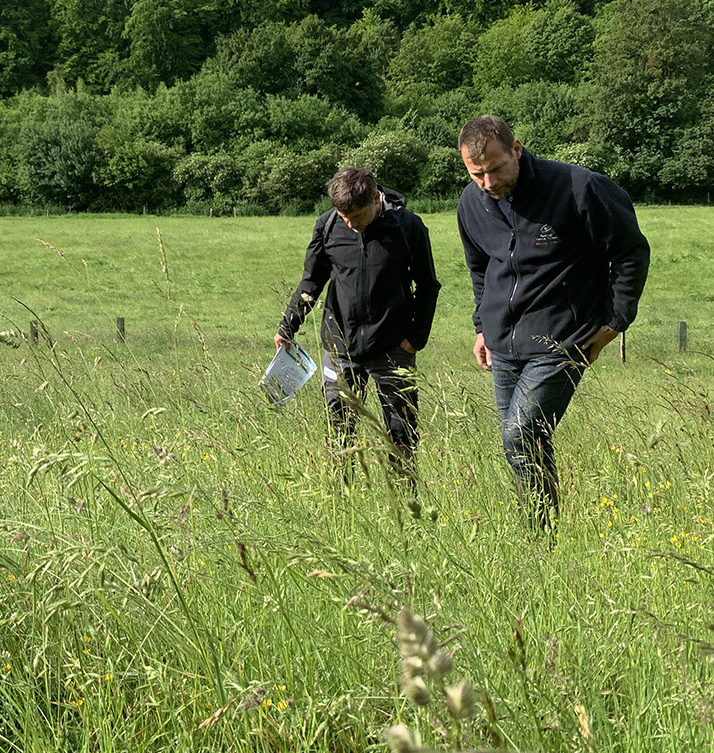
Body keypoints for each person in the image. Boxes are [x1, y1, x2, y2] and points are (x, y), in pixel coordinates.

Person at [456, 115, 650, 531]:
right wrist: (480, 326)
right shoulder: (470, 204)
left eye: (495, 169)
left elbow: (631, 253)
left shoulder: (579, 188)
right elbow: (479, 269)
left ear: (517, 150)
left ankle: (540, 533)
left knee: (520, 435)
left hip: (563, 338)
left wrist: (616, 321)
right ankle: (543, 536)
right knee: (522, 444)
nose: (488, 183)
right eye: (477, 175)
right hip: (502, 342)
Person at [276, 166, 441, 485]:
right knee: (340, 429)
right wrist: (288, 326)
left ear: (375, 200)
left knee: (401, 429)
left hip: (394, 349)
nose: (349, 223)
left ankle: (407, 500)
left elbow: (428, 285)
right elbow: (312, 281)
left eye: (356, 216)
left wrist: (416, 338)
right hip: (340, 348)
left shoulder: (408, 226)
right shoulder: (328, 225)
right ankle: (345, 500)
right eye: (343, 216)